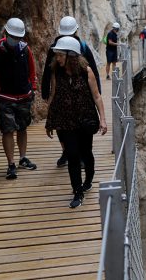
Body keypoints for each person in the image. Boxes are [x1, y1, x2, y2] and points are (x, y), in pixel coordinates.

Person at [45, 37, 107, 208]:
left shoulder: (86, 71)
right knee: (72, 155)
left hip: (85, 119)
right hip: (66, 121)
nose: (57, 58)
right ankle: (77, 192)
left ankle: (89, 178)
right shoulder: (56, 72)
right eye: (56, 55)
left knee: (86, 153)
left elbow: (97, 96)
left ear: (70, 55)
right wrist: (49, 121)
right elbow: (53, 95)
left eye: (59, 55)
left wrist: (102, 119)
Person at [41, 16, 102, 167]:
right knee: (64, 125)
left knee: (68, 125)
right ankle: (69, 152)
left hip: (78, 92)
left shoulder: (74, 46)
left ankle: (72, 153)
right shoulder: (75, 46)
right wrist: (97, 90)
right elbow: (93, 69)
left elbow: (47, 71)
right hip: (64, 91)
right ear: (76, 30)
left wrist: (45, 90)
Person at [0, 17, 38, 179]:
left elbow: (32, 72)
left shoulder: (26, 50)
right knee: (8, 129)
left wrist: (32, 88)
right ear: (6, 33)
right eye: (13, 36)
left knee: (22, 128)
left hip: (24, 96)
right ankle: (11, 163)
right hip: (4, 96)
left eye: (18, 37)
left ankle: (22, 158)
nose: (15, 40)